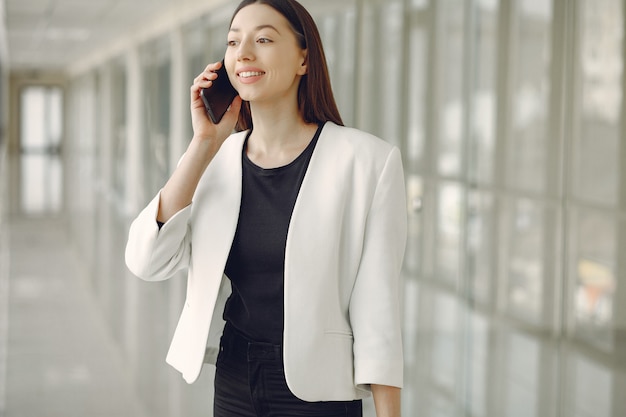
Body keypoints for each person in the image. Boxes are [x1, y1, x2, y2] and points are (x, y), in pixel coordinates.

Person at [125, 0, 407, 416]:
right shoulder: (216, 161)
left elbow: (378, 308)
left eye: (263, 39)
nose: (243, 53)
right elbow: (146, 262)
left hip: (319, 391)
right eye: (233, 42)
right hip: (235, 377)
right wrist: (202, 144)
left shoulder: (367, 162)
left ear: (304, 59)